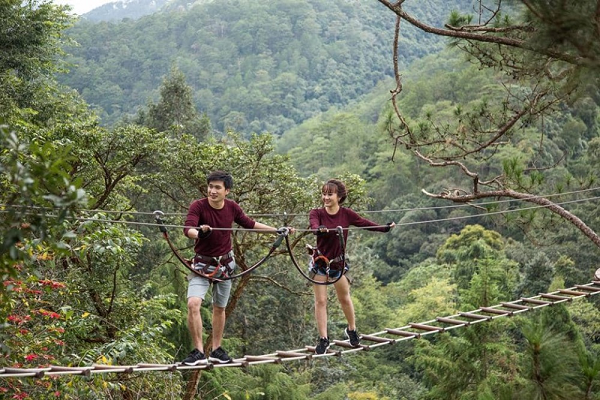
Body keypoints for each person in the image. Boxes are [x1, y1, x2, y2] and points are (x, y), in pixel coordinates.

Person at [181, 171, 292, 365]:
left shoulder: (232, 207)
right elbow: (188, 229)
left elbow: (249, 223)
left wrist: (276, 230)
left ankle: (216, 350)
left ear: (227, 191)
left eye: (217, 187)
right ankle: (198, 351)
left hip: (224, 265)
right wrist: (199, 232)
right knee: (193, 304)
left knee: (219, 308)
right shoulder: (198, 206)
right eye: (210, 186)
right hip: (201, 265)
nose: (212, 191)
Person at [308, 179, 395, 354]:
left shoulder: (346, 214)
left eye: (329, 194)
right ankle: (323, 338)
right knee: (321, 301)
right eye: (324, 193)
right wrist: (320, 229)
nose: (325, 197)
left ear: (339, 197)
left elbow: (364, 223)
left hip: (338, 264)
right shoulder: (316, 213)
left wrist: (384, 228)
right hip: (320, 263)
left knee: (345, 298)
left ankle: (352, 329)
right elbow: (314, 226)